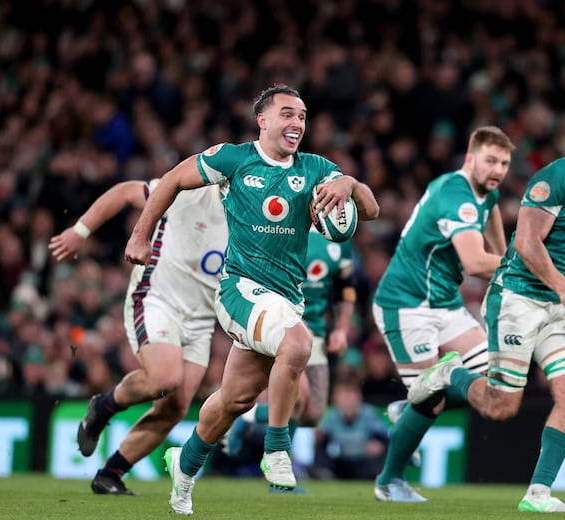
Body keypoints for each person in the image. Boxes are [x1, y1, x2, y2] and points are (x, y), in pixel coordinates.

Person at [124, 84, 379, 515]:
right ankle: (277, 448)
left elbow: (369, 210)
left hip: (285, 298)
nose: (296, 123)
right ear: (263, 121)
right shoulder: (234, 158)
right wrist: (140, 233)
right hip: (240, 290)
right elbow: (171, 179)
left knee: (233, 401)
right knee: (298, 344)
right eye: (287, 114)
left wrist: (350, 183)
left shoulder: (317, 168)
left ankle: (182, 470)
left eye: (301, 116)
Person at [408, 111, 565, 513]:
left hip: (561, 307)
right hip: (518, 297)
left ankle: (539, 493)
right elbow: (528, 243)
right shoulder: (554, 179)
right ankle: (449, 372)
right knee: (501, 408)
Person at [48, 178, 227, 496]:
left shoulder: (256, 217)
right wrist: (81, 231)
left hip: (201, 319)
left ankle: (110, 474)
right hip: (157, 298)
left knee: (175, 407)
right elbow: (126, 191)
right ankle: (102, 408)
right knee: (165, 378)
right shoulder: (193, 190)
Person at [371, 125, 514, 502]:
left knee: (494, 379)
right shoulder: (456, 194)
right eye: (489, 161)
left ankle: (407, 406)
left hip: (444, 303)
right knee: (433, 399)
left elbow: (494, 211)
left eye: (503, 162)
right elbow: (474, 260)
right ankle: (389, 481)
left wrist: (508, 258)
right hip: (405, 305)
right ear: (470, 160)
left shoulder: (486, 191)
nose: (497, 169)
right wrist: (520, 271)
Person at [222, 229, 356, 472]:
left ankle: (249, 417)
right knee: (298, 397)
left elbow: (346, 286)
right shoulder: (285, 226)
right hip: (285, 323)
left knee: (313, 413)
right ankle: (279, 464)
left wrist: (342, 328)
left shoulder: (339, 233)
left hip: (316, 329)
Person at [312, 377, 390, 480]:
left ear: (358, 397)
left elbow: (385, 439)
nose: (348, 400)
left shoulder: (369, 414)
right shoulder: (332, 416)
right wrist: (319, 438)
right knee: (321, 460)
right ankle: (323, 473)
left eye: (350, 395)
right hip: (341, 462)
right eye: (344, 396)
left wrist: (380, 446)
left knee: (374, 469)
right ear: (336, 399)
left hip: (364, 461)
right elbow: (323, 442)